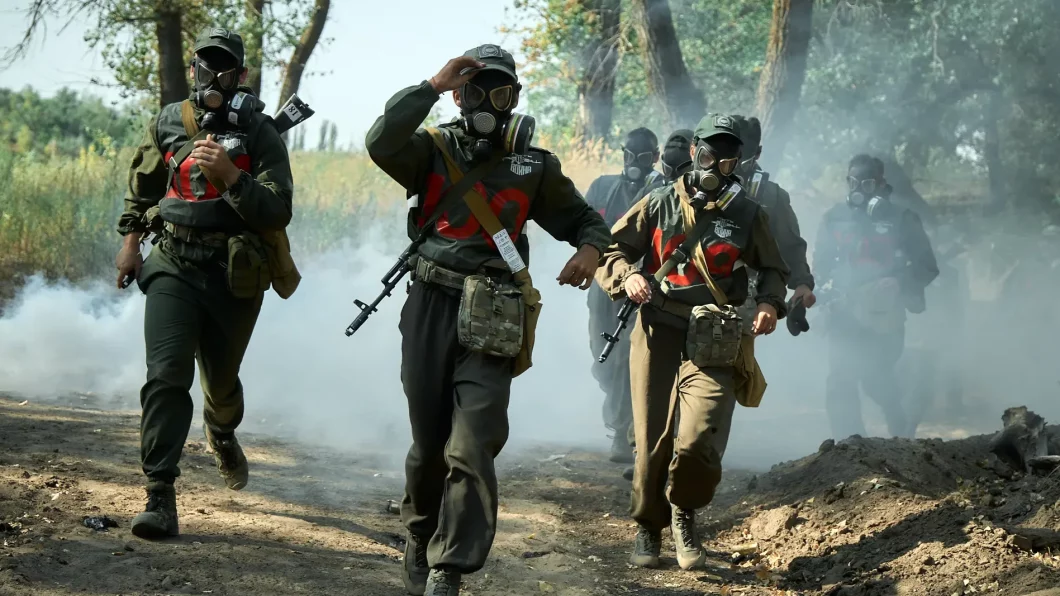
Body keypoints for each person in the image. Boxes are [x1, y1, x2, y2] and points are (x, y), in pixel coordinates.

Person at [365, 44, 611, 596]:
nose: (487, 103)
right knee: (429, 444)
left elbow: (585, 220)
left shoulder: (533, 166)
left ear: (514, 99)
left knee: (473, 443)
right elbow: (380, 142)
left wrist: (591, 250)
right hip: (430, 304)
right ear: (459, 96)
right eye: (475, 89)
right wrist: (431, 86)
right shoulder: (431, 150)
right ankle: (419, 532)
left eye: (500, 93)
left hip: (494, 312)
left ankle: (449, 566)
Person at [114, 27, 295, 539]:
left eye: (224, 68)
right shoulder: (170, 121)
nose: (213, 77)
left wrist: (232, 177)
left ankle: (221, 432)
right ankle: (159, 493)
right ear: (194, 70)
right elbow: (142, 189)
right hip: (172, 263)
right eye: (205, 67)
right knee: (166, 375)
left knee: (220, 384)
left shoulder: (261, 131)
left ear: (240, 75)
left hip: (234, 275)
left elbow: (278, 209)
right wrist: (130, 243)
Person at [596, 114, 789, 571]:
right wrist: (629, 277)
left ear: (736, 164)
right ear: (692, 153)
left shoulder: (747, 213)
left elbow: (773, 267)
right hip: (657, 330)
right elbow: (611, 249)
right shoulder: (658, 202)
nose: (714, 166)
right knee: (651, 438)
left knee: (702, 436)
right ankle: (649, 525)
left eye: (726, 160)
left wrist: (769, 303)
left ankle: (684, 512)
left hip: (713, 336)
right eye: (707, 155)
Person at [814, 155, 938, 440]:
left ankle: (899, 418)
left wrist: (899, 282)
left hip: (885, 315)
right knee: (840, 378)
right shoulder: (833, 219)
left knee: (875, 378)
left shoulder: (902, 219)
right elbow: (821, 265)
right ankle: (849, 445)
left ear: (881, 184)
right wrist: (823, 287)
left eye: (867, 183)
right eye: (853, 182)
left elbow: (927, 266)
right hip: (844, 312)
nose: (858, 190)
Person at [619, 128, 695, 483]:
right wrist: (630, 277)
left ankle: (678, 453)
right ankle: (643, 454)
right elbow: (626, 242)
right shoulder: (654, 197)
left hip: (696, 304)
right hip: (652, 297)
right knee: (647, 383)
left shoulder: (718, 200)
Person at [585, 128, 664, 464]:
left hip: (640, 288)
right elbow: (584, 226)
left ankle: (621, 431)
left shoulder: (661, 192)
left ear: (655, 158)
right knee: (601, 356)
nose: (634, 163)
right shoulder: (602, 187)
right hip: (603, 283)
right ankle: (618, 407)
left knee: (622, 358)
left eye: (643, 157)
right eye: (630, 155)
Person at [730, 115, 815, 309]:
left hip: (751, 298)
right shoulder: (699, 187)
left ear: (758, 153)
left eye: (744, 157)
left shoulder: (773, 197)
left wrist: (802, 283)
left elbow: (790, 244)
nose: (736, 166)